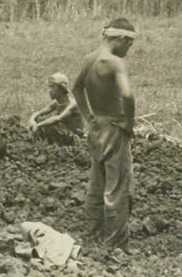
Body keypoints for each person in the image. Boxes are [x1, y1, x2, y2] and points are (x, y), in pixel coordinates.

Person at [72, 18, 137, 252]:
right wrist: (128, 123)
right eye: (129, 45)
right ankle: (115, 246)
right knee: (117, 188)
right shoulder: (115, 62)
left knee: (97, 184)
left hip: (96, 126)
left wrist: (88, 116)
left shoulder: (89, 60)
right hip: (113, 126)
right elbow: (127, 95)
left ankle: (92, 236)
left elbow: (76, 89)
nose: (128, 50)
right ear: (121, 39)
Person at [27, 73, 83, 145]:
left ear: (61, 89)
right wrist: (32, 121)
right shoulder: (56, 103)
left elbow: (58, 118)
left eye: (52, 87)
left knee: (51, 126)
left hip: (74, 137)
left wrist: (38, 126)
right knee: (40, 120)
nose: (49, 90)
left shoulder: (73, 104)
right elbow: (38, 114)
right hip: (63, 132)